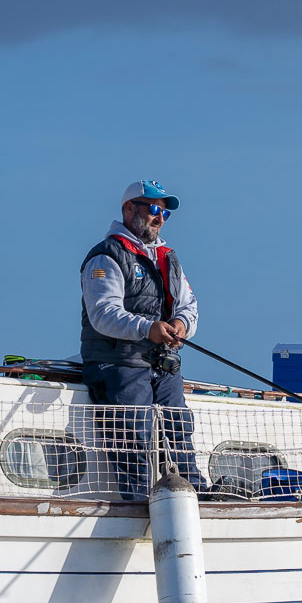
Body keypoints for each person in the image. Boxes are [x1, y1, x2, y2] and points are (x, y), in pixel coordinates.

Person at [79, 178, 207, 496]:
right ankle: (137, 502)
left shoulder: (167, 258)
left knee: (178, 428)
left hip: (161, 364)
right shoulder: (105, 256)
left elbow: (189, 306)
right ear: (128, 209)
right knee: (133, 435)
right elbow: (102, 314)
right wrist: (146, 328)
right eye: (152, 209)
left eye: (164, 213)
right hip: (117, 363)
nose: (158, 217)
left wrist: (180, 324)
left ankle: (195, 495)